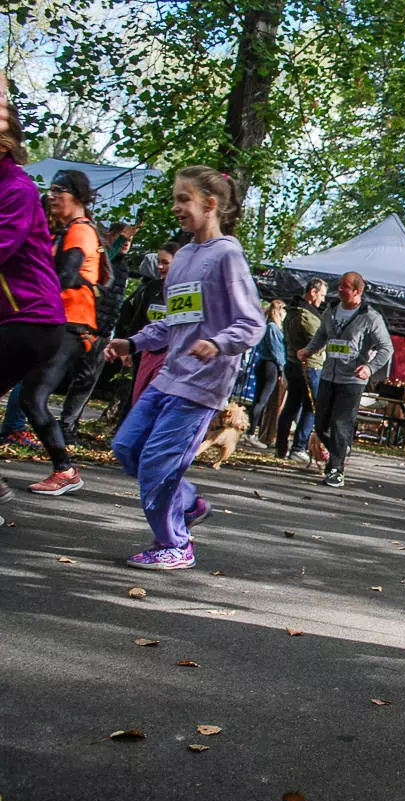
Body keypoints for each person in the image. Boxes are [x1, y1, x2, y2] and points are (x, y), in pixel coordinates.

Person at [104, 165, 265, 570]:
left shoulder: (228, 255)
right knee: (127, 447)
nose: (175, 207)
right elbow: (175, 321)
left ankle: (176, 543)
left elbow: (252, 323)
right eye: (175, 198)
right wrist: (133, 341)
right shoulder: (184, 256)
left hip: (202, 386)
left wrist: (217, 343)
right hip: (168, 376)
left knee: (159, 464)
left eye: (183, 199)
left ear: (210, 205)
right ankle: (188, 503)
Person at [21, 168, 108, 495]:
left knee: (33, 397)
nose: (53, 195)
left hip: (72, 324)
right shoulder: (73, 230)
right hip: (61, 323)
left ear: (78, 197)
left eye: (60, 190)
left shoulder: (81, 231)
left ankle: (65, 470)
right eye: (51, 189)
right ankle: (64, 468)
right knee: (30, 396)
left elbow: (67, 276)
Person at [0, 94, 67, 508]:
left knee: (32, 400)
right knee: (30, 400)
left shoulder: (17, 188)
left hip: (33, 319)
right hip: (19, 317)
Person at [297, 271, 394, 488]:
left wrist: (370, 368)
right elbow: (322, 335)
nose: (339, 289)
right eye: (339, 285)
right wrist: (308, 350)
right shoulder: (331, 310)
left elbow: (387, 348)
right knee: (321, 425)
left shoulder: (370, 316)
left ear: (357, 291)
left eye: (345, 287)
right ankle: (340, 450)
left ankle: (336, 470)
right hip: (328, 376)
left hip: (352, 380)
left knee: (341, 424)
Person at [58, 219, 137, 444]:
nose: (126, 243)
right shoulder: (102, 256)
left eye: (130, 240)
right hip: (80, 327)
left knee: (86, 381)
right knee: (53, 374)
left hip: (102, 332)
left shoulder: (123, 265)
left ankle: (67, 425)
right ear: (111, 236)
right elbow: (106, 260)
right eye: (123, 238)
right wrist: (119, 239)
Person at [116, 242, 178, 414]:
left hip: (170, 358)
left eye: (165, 262)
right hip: (145, 352)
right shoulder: (152, 288)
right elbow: (137, 319)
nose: (159, 266)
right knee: (136, 401)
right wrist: (130, 346)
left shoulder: (186, 291)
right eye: (159, 261)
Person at [274, 277, 327, 462]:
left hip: (292, 364)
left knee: (290, 406)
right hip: (309, 367)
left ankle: (280, 447)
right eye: (321, 295)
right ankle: (298, 447)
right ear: (313, 292)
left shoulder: (292, 311)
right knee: (311, 408)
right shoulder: (307, 316)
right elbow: (317, 342)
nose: (323, 300)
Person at [243, 299, 287, 446]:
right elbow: (277, 351)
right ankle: (250, 432)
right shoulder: (273, 327)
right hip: (271, 366)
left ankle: (249, 431)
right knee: (261, 400)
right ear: (280, 310)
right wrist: (281, 368)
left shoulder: (266, 325)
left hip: (262, 363)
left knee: (258, 400)